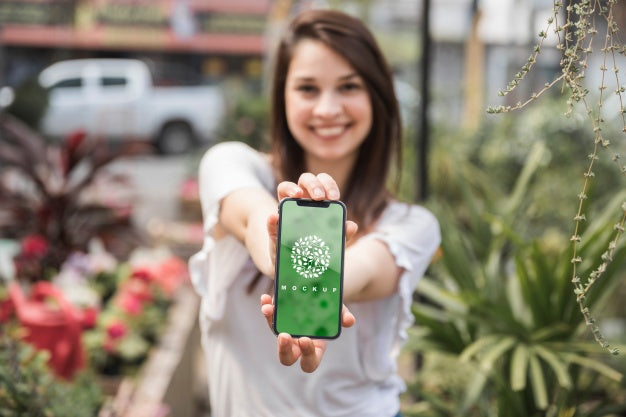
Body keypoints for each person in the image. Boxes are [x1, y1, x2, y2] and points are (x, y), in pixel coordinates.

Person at [189, 8, 441, 417]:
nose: (327, 109)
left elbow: (362, 271)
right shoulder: (230, 163)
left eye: (348, 86)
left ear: (376, 97)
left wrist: (329, 281)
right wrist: (279, 246)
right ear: (282, 96)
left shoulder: (413, 225)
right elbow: (253, 217)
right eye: (307, 88)